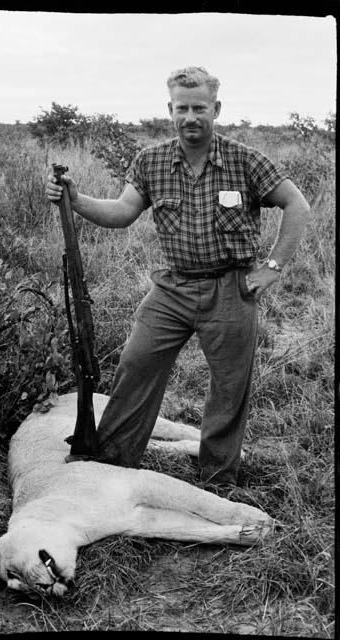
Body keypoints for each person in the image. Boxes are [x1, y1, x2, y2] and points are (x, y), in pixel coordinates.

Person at [45, 66, 309, 486]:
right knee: (135, 364)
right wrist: (77, 200)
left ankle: (217, 479)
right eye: (182, 108)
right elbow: (121, 212)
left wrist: (271, 269)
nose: (191, 117)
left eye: (199, 107)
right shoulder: (150, 161)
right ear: (170, 110)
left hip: (230, 288)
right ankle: (112, 464)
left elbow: (297, 206)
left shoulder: (245, 159)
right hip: (172, 287)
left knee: (229, 387)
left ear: (216, 109)